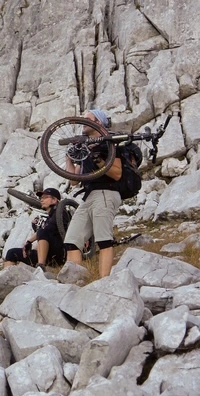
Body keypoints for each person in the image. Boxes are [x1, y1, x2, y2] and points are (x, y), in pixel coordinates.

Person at [63, 109, 121, 277]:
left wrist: (99, 160)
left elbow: (117, 174)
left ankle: (104, 282)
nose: (83, 121)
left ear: (98, 122)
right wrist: (69, 158)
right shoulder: (86, 148)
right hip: (88, 197)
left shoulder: (109, 144)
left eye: (87, 119)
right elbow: (74, 181)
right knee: (72, 241)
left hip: (105, 192)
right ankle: (73, 282)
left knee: (104, 240)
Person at [4, 188, 66, 270]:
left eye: (45, 197)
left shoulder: (61, 213)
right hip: (49, 255)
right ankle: (7, 274)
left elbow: (45, 230)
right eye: (41, 198)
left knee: (42, 231)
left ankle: (41, 266)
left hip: (59, 255)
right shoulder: (50, 217)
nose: (42, 200)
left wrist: (33, 238)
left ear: (54, 200)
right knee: (11, 253)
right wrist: (28, 242)